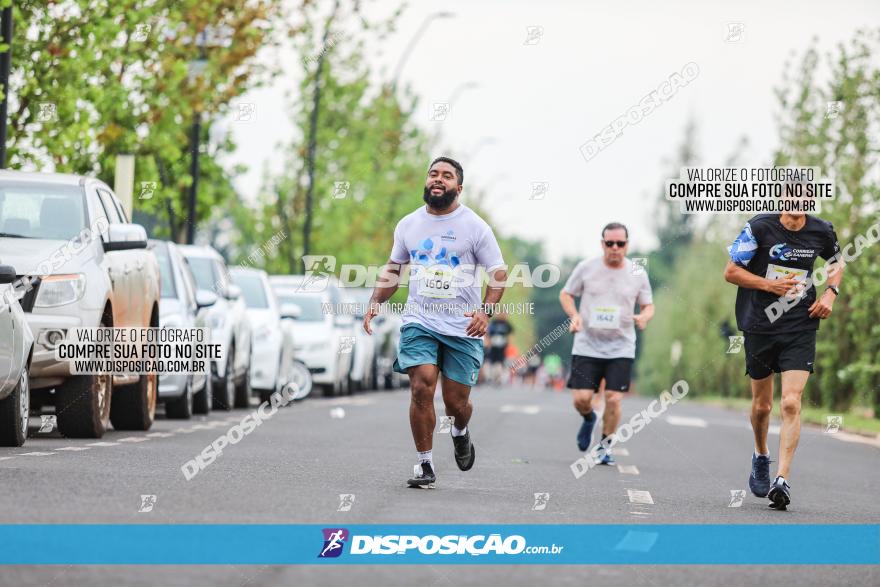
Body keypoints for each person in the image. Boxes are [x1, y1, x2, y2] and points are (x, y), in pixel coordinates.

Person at [363, 156, 508, 488]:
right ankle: (424, 464)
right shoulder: (408, 225)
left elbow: (498, 275)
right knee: (421, 385)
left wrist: (485, 311)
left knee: (456, 403)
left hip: (462, 326)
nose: (437, 179)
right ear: (426, 181)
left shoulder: (475, 227)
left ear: (459, 186)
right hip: (420, 321)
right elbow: (394, 270)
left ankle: (459, 430)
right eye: (433, 174)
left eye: (446, 175)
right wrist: (375, 302)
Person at [724, 209, 843, 510]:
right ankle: (761, 454)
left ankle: (782, 480)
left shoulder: (821, 231)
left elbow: (836, 263)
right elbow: (731, 271)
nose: (796, 199)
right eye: (790, 193)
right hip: (760, 324)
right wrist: (769, 285)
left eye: (802, 193)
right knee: (763, 406)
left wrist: (831, 292)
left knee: (791, 401)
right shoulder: (759, 228)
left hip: (800, 325)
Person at [558, 222, 654, 464]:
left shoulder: (637, 272)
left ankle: (604, 446)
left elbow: (648, 304)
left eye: (620, 243)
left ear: (626, 245)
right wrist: (575, 316)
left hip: (621, 345)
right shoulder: (586, 268)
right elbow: (566, 293)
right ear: (602, 244)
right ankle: (590, 418)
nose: (614, 248)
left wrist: (644, 317)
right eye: (609, 243)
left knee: (613, 397)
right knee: (581, 400)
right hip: (587, 344)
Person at [486, 313, 513, 385]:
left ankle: (499, 378)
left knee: (501, 362)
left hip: (502, 346)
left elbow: (510, 334)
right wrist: (488, 343)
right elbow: (488, 333)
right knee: (492, 361)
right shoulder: (493, 323)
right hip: (493, 345)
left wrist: (508, 344)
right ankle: (493, 377)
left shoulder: (507, 324)